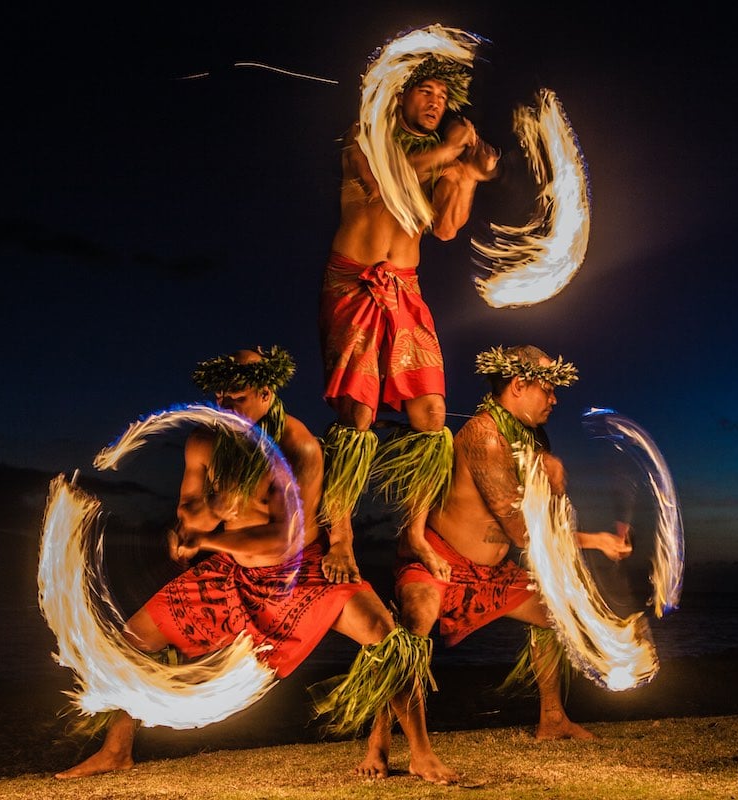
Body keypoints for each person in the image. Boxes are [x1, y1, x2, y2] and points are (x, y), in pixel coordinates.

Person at [56, 346, 458, 784]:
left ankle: (419, 753)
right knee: (132, 640)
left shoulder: (298, 447)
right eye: (221, 398)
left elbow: (281, 541)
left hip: (303, 574)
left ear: (267, 392)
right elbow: (187, 511)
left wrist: (207, 536)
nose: (225, 407)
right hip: (233, 574)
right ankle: (116, 750)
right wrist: (213, 508)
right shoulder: (205, 441)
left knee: (389, 640)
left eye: (238, 397)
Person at [356, 345, 633, 778]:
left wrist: (554, 483)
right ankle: (393, 743)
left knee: (552, 615)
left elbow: (538, 514)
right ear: (518, 386)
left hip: (490, 573)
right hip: (440, 563)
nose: (555, 399)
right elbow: (521, 531)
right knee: (412, 633)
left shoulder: (528, 439)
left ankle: (553, 719)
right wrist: (594, 540)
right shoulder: (486, 437)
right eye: (548, 388)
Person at [319, 26, 500, 587]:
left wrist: (467, 175)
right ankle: (342, 533)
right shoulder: (366, 137)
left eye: (444, 98)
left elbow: (445, 227)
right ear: (399, 95)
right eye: (427, 92)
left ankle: (414, 532)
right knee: (359, 415)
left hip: (407, 290)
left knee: (431, 416)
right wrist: (451, 150)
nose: (436, 103)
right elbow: (385, 181)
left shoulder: (437, 159)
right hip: (354, 287)